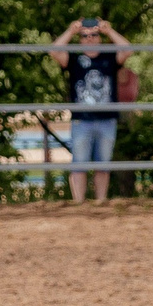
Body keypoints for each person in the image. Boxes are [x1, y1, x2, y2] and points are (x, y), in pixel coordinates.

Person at [49, 15, 130, 203]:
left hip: (107, 120)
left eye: (94, 35)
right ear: (80, 39)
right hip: (82, 120)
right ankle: (79, 202)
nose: (90, 39)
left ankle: (100, 201)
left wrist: (109, 31)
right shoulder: (74, 59)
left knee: (103, 164)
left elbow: (128, 49)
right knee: (79, 163)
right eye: (85, 36)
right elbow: (54, 51)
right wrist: (70, 31)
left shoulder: (109, 57)